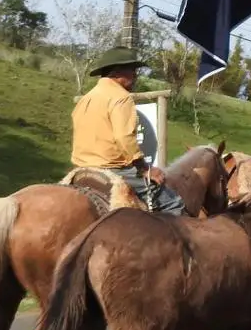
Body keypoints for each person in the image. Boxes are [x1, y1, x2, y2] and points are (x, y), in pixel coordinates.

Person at [71, 46, 185, 214]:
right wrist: (145, 169)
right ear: (117, 73)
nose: (136, 75)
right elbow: (124, 137)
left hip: (82, 170)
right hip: (111, 169)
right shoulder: (121, 98)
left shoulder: (86, 98)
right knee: (174, 204)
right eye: (132, 70)